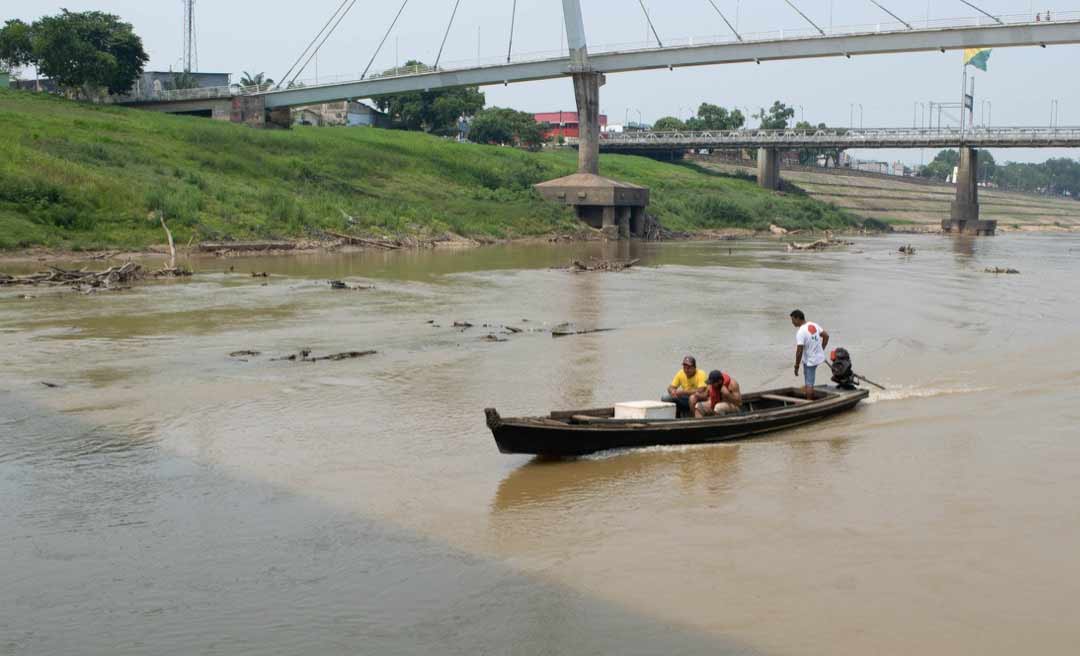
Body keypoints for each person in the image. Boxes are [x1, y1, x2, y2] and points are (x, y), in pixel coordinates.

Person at [790, 309, 829, 400]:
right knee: (808, 379)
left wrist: (796, 366)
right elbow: (826, 336)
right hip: (818, 358)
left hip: (810, 361)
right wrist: (821, 350)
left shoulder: (801, 332)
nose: (792, 323)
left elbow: (799, 351)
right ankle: (809, 394)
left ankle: (808, 403)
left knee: (809, 383)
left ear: (798, 318)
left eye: (793, 320)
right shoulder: (813, 325)